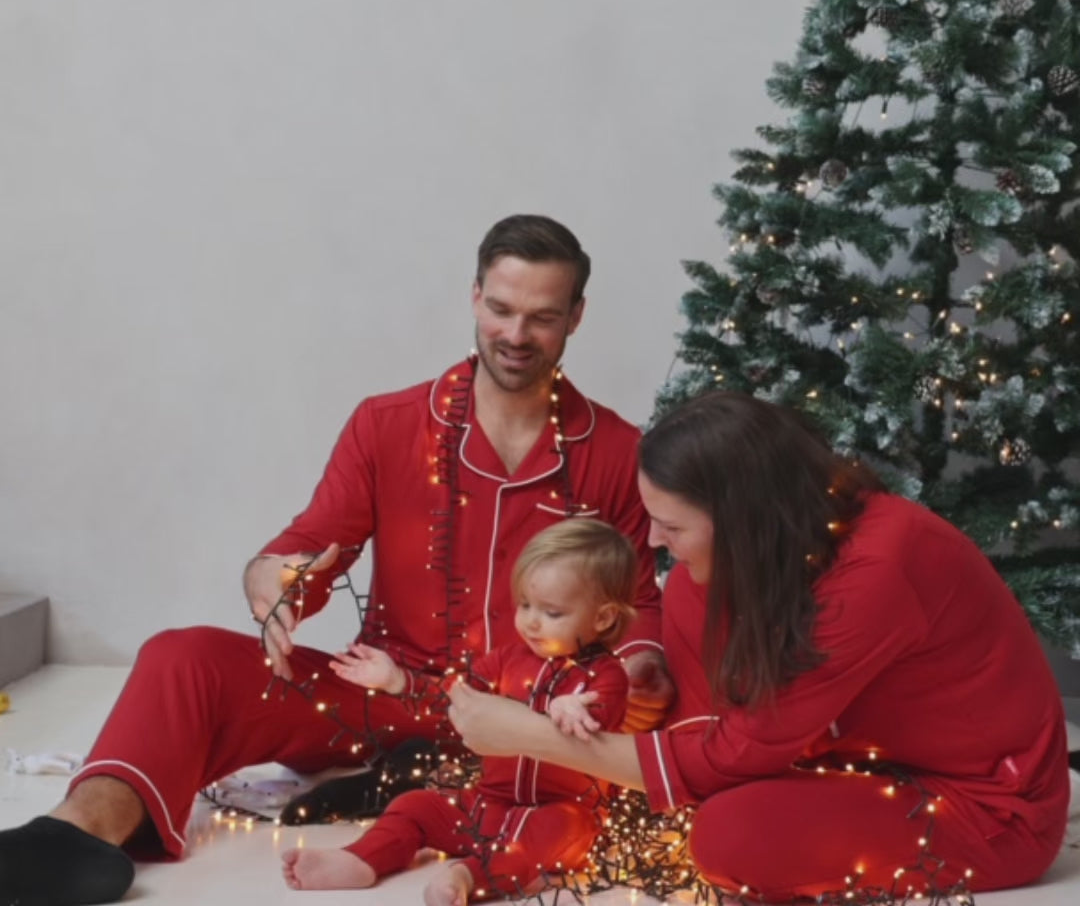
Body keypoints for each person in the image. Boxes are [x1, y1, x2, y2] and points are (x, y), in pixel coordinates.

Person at [0, 214, 671, 906]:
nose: (516, 334)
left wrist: (639, 666)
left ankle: (415, 787)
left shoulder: (618, 451)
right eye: (501, 309)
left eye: (542, 317)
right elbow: (311, 545)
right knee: (182, 657)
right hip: (385, 699)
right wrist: (274, 579)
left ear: (576, 317)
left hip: (539, 725)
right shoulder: (388, 424)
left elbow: (641, 608)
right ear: (475, 297)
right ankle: (73, 836)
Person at [447, 390, 1072, 901]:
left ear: (743, 517)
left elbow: (730, 757)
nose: (654, 541)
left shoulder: (878, 567)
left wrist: (534, 737)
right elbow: (712, 737)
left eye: (672, 524)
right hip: (843, 763)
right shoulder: (776, 548)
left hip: (981, 811)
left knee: (729, 837)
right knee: (689, 589)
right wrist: (654, 681)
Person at [282, 518, 638, 904]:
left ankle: (468, 875)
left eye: (552, 613)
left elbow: (599, 721)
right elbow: (453, 697)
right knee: (414, 804)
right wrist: (398, 680)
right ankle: (363, 859)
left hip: (560, 812)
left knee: (547, 838)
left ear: (602, 617)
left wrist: (572, 711)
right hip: (489, 804)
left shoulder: (607, 677)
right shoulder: (506, 660)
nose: (532, 622)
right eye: (525, 605)